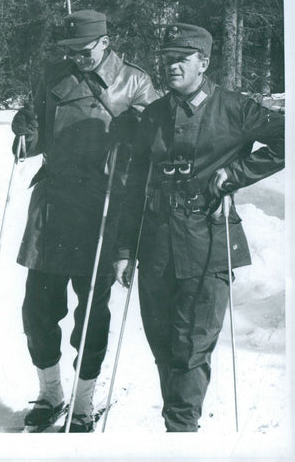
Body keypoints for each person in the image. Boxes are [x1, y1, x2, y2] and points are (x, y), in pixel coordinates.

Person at [112, 23, 284, 432]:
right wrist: (123, 250)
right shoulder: (153, 114)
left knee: (191, 346)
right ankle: (180, 426)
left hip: (208, 239)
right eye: (167, 58)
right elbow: (134, 185)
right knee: (163, 346)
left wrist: (237, 173)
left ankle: (181, 432)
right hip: (154, 244)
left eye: (181, 59)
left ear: (203, 62)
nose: (171, 66)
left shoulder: (234, 108)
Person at [11, 9, 158, 432]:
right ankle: (50, 392)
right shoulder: (53, 76)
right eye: (71, 50)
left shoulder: (135, 81)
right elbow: (33, 142)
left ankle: (83, 400)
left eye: (86, 49)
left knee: (92, 312)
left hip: (104, 207)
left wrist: (134, 134)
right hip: (53, 204)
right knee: (37, 308)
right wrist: (24, 131)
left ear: (105, 42)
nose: (79, 57)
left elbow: (154, 144)